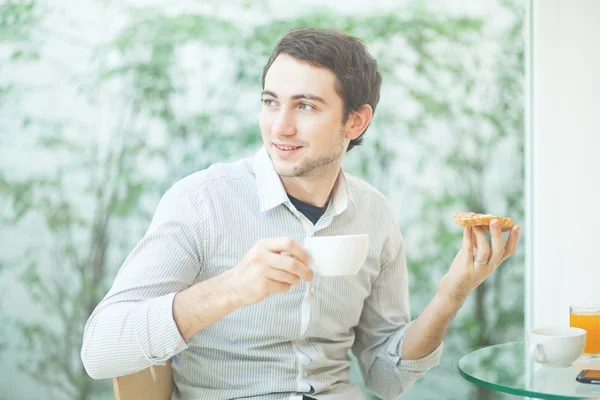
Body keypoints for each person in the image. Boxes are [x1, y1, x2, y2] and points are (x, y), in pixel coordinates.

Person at [81, 28, 520, 400]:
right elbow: (100, 351)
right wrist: (230, 290)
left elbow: (385, 378)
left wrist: (451, 295)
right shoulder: (201, 201)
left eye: (305, 106)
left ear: (356, 122)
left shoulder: (375, 214)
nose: (280, 126)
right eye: (271, 102)